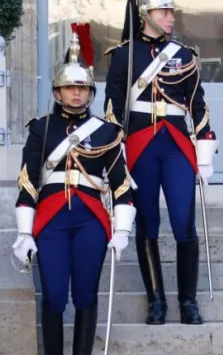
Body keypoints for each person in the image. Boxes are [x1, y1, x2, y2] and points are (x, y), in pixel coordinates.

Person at [104, 0, 216, 324]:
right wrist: (112, 156)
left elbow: (198, 105)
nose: (170, 18)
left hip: (177, 145)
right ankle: (157, 301)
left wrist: (206, 151)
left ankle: (188, 301)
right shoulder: (123, 57)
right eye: (164, 12)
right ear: (145, 16)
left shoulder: (184, 55)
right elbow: (113, 111)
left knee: (183, 221)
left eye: (171, 12)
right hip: (139, 146)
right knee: (147, 222)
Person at [14, 24, 135, 355]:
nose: (77, 93)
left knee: (85, 294)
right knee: (53, 294)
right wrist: (25, 233)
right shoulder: (41, 129)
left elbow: (121, 183)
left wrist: (122, 229)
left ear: (91, 93)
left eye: (83, 88)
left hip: (91, 220)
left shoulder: (107, 132)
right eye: (70, 88)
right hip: (51, 220)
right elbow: (28, 181)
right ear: (57, 92)